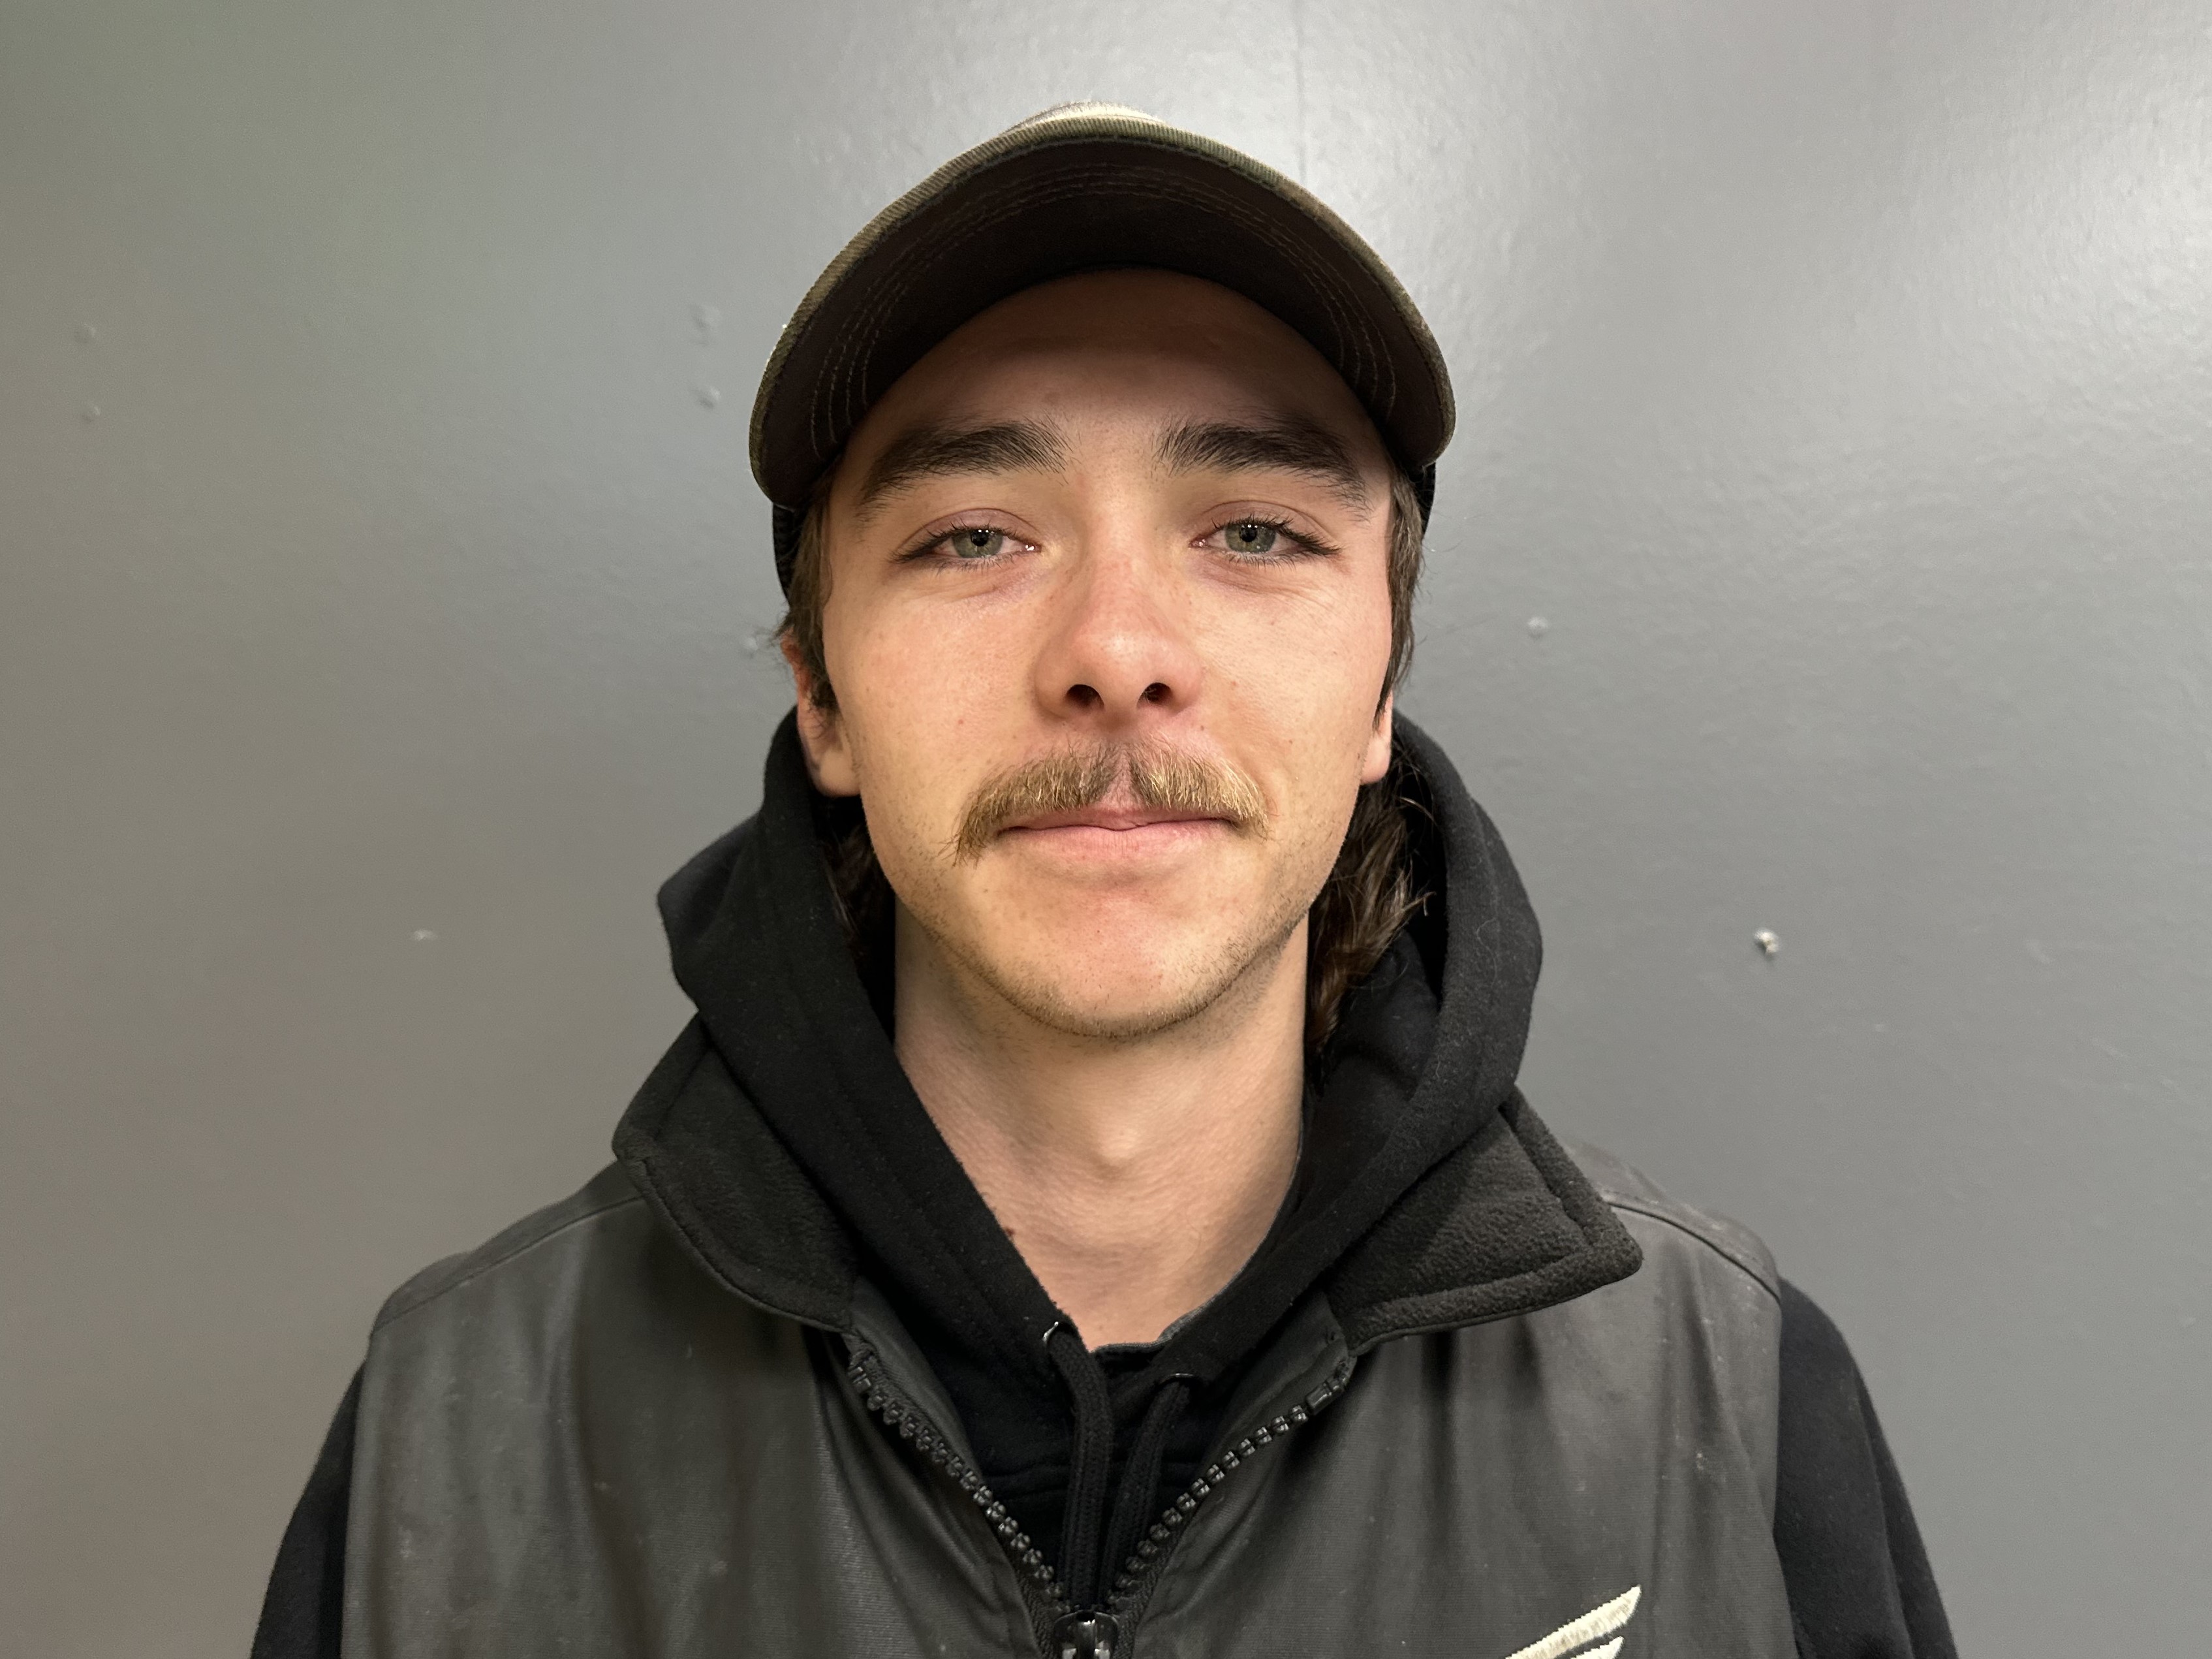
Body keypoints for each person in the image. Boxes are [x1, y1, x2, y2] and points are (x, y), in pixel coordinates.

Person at [253, 105, 1954, 1659]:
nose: (1117, 650)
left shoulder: (1722, 1401)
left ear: (1381, 687)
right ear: (822, 696)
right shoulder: (456, 1437)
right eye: (972, 536)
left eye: (1256, 531)